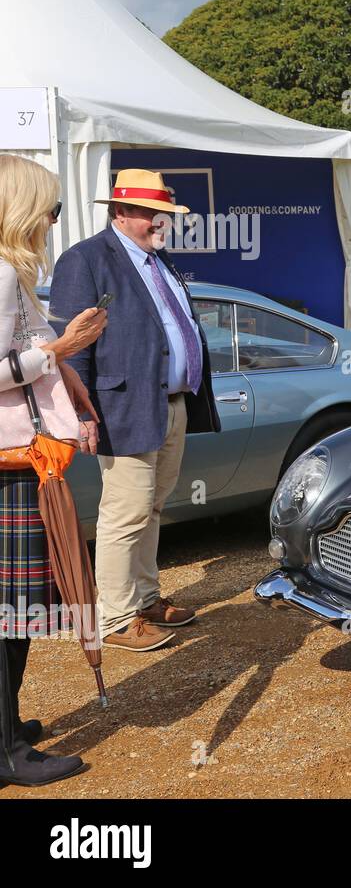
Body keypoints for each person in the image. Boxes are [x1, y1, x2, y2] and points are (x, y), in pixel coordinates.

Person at [50, 169, 222, 652]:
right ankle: (116, 617)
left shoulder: (155, 258)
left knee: (152, 506)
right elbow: (72, 344)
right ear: (120, 212)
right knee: (124, 513)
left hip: (169, 403)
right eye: (152, 214)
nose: (160, 222)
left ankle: (145, 599)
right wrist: (80, 411)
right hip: (122, 407)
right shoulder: (84, 259)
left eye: (164, 214)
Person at [0, 155, 107, 785]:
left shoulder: (13, 274)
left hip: (19, 462)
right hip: (12, 465)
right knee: (10, 613)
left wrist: (64, 370)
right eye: (51, 206)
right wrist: (59, 351)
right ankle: (7, 750)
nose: (52, 219)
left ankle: (7, 728)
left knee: (15, 612)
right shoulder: (3, 275)